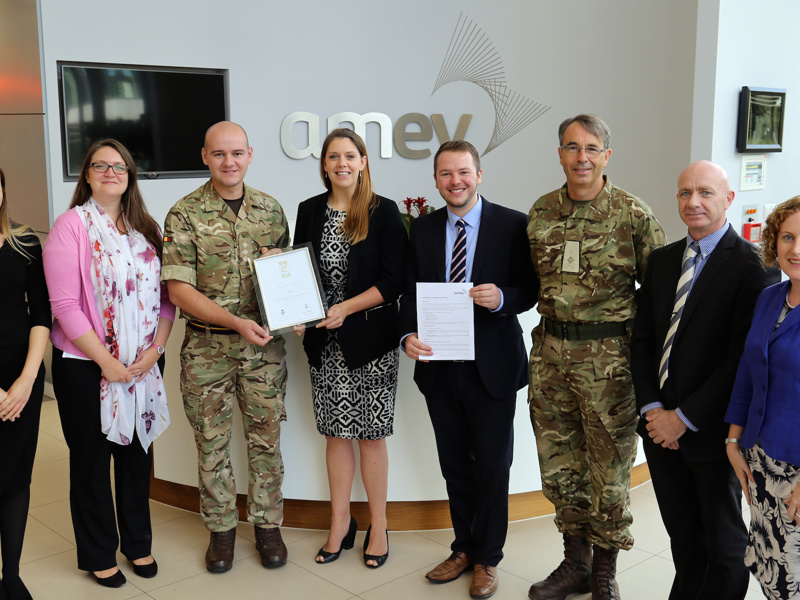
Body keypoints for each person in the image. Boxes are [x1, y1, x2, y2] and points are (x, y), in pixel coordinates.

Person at [527, 114, 666, 600]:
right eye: (571, 147)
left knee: (608, 470)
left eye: (591, 148)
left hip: (609, 364)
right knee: (560, 465)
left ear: (606, 155)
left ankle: (605, 569)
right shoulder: (542, 212)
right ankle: (575, 563)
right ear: (560, 154)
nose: (580, 157)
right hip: (550, 358)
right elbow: (530, 283)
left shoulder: (632, 213)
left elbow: (660, 294)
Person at [631, 161, 778, 600]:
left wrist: (685, 417)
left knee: (724, 545)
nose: (693, 202)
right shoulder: (660, 262)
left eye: (705, 193)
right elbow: (642, 342)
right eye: (684, 193)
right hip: (659, 431)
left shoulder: (754, 269)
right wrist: (654, 410)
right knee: (683, 538)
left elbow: (739, 362)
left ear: (728, 199)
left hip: (712, 433)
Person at [400, 140, 538, 599]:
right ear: (436, 180)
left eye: (463, 172)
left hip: (493, 368)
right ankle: (462, 548)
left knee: (494, 468)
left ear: (479, 175)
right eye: (445, 174)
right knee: (455, 466)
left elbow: (531, 290)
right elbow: (407, 295)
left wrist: (502, 299)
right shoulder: (421, 230)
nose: (454, 181)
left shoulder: (515, 225)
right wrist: (406, 337)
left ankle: (487, 558)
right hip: (440, 369)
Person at [43, 139, 174, 588]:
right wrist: (107, 362)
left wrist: (154, 351)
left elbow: (167, 301)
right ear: (87, 174)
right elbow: (63, 305)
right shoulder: (70, 226)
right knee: (92, 461)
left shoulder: (146, 229)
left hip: (142, 364)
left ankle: (138, 543)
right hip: (84, 365)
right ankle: (99, 552)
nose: (111, 172)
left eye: (119, 166)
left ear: (130, 175)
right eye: (100, 165)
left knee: (137, 456)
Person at [162, 121, 290, 573]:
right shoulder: (184, 214)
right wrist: (235, 321)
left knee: (267, 440)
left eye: (237, 153)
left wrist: (297, 314)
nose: (229, 162)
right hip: (206, 351)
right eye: (219, 154)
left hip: (264, 353)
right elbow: (178, 290)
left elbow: (284, 281)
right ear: (205, 156)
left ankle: (268, 525)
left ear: (250, 155)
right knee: (211, 444)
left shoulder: (271, 212)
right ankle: (220, 531)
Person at [293, 128, 407, 568]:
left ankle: (378, 525)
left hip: (372, 343)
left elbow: (393, 282)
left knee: (372, 438)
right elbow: (300, 271)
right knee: (336, 435)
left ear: (363, 162)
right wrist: (299, 313)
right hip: (326, 345)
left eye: (350, 155)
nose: (342, 163)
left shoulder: (383, 212)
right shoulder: (308, 210)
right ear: (324, 165)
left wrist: (344, 308)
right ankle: (340, 522)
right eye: (333, 156)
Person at [726, 196, 800, 600]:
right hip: (759, 460)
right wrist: (734, 440)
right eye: (787, 237)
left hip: (798, 470)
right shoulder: (771, 296)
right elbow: (747, 374)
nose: (796, 249)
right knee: (772, 570)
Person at [0, 166, 50, 600]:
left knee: (16, 477)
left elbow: (41, 314)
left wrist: (28, 379)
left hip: (22, 376)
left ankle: (11, 577)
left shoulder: (24, 240)